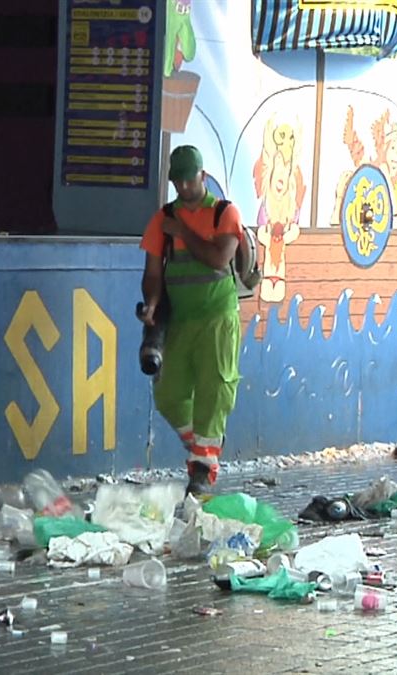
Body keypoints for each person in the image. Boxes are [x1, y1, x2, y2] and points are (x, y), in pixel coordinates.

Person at [139, 145, 243, 496]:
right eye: (177, 182)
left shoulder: (224, 213)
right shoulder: (162, 219)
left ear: (202, 175)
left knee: (214, 391)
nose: (183, 188)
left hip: (218, 318)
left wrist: (182, 232)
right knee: (168, 394)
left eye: (188, 180)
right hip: (181, 319)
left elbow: (218, 258)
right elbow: (153, 272)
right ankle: (202, 447)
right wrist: (152, 303)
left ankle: (201, 471)